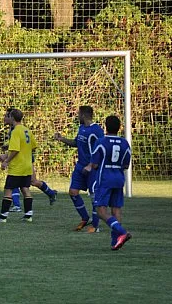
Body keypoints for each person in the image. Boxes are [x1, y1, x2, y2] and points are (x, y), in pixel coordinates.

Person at [53, 105, 104, 232]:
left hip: (92, 168)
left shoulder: (96, 130)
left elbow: (102, 149)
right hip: (80, 165)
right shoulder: (81, 128)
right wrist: (62, 139)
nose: (77, 116)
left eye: (78, 114)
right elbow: (76, 143)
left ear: (83, 115)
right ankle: (85, 218)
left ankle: (95, 225)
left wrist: (92, 164)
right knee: (73, 192)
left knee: (94, 196)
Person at [85, 115, 132, 250]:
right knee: (116, 209)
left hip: (105, 178)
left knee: (100, 210)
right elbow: (126, 165)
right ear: (119, 128)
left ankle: (122, 232)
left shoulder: (101, 142)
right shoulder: (124, 143)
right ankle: (115, 241)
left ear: (105, 126)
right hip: (119, 177)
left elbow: (94, 164)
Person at [0, 108, 57, 212]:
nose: (4, 118)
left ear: (11, 118)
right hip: (22, 158)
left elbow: (19, 148)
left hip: (23, 159)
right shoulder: (17, 129)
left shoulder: (15, 130)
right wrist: (7, 148)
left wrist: (6, 158)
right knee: (19, 182)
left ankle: (50, 193)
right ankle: (18, 205)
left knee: (31, 181)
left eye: (6, 116)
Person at [0, 109, 37, 223]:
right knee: (25, 189)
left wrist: (6, 161)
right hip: (27, 166)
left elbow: (15, 150)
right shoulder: (27, 130)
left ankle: (3, 217)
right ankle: (28, 215)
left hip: (17, 167)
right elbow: (33, 146)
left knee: (8, 190)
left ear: (12, 118)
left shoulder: (16, 131)